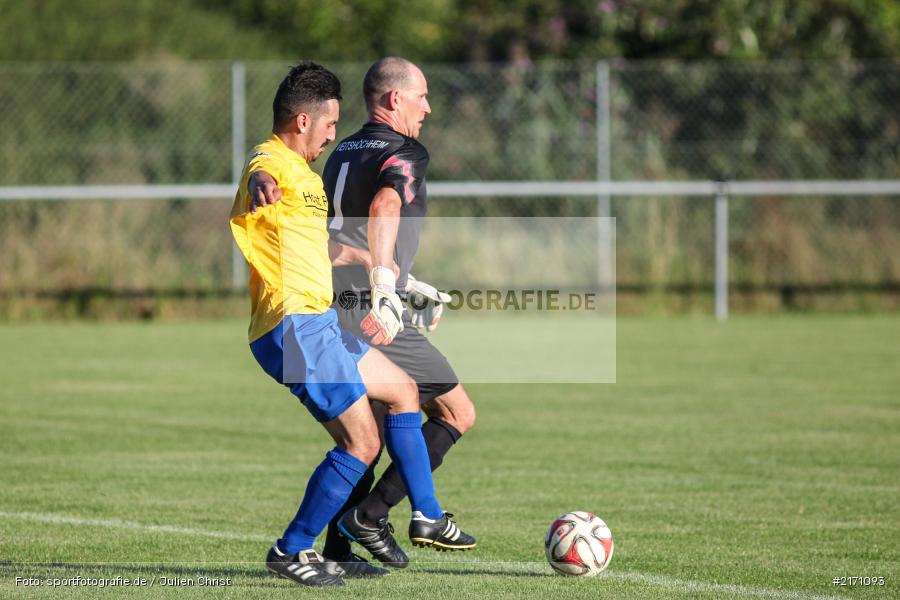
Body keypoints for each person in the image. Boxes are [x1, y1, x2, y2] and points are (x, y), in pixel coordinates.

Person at [231, 61, 471, 587]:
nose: (334, 135)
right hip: (291, 325)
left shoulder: (310, 179)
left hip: (319, 320)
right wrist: (261, 183)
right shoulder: (273, 162)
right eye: (329, 126)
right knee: (361, 443)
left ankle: (423, 515)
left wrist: (397, 281)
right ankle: (291, 549)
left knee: (405, 390)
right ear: (301, 121)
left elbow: (324, 246)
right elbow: (257, 173)